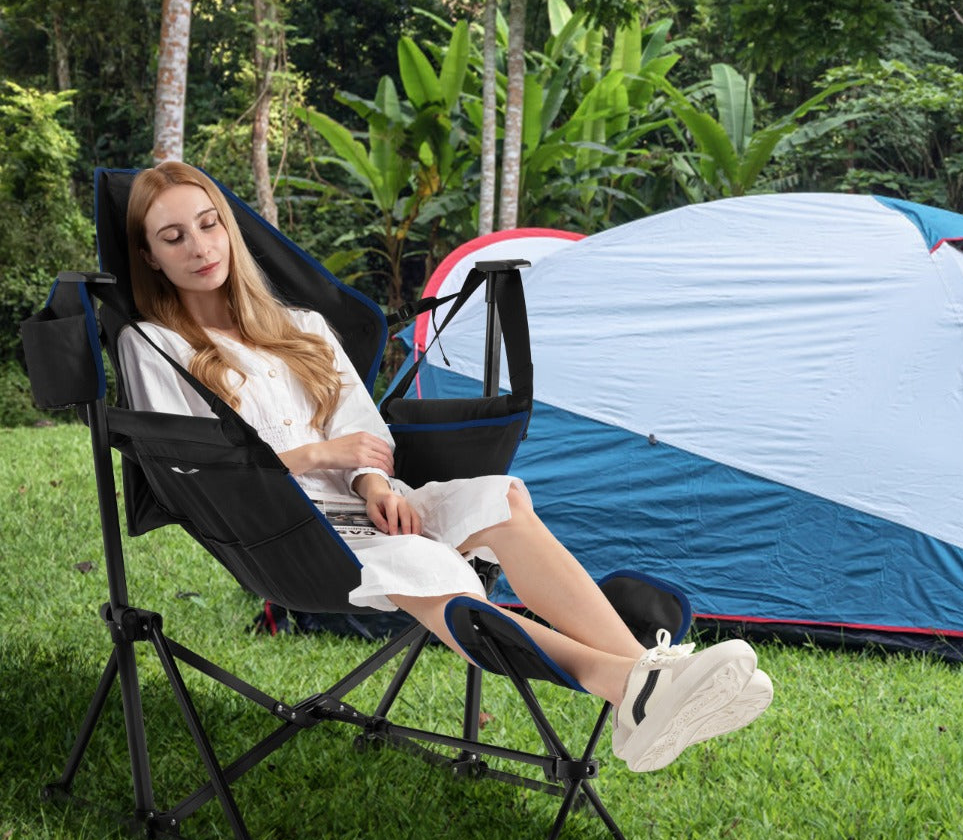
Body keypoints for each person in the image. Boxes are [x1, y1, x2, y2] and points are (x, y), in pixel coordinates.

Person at [118, 161, 772, 773]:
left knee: (502, 500)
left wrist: (371, 480)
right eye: (173, 237)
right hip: (288, 531)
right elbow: (191, 470)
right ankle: (631, 685)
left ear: (228, 229)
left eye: (208, 226)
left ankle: (649, 680)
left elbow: (360, 430)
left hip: (364, 507)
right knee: (432, 568)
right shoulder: (154, 346)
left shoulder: (301, 326)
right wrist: (320, 457)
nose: (199, 248)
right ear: (149, 255)